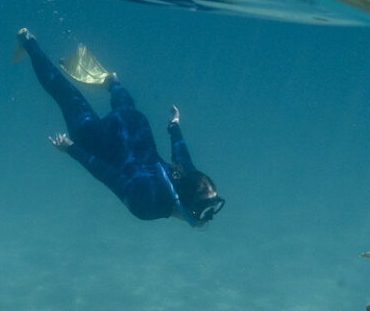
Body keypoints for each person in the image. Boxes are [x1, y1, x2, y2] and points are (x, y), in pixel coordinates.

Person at [15, 28, 224, 226]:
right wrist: (71, 149)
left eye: (211, 207)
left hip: (133, 129)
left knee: (125, 109)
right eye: (207, 208)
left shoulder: (188, 175)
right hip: (99, 144)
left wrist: (174, 124)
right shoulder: (148, 206)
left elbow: (181, 153)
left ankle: (113, 84)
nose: (209, 216)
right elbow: (107, 175)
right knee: (65, 95)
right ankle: (28, 42)